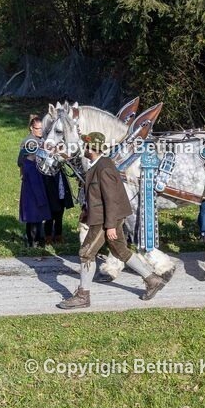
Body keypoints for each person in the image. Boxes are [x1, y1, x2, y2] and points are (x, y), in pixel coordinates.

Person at [57, 132, 168, 309]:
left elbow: (111, 199)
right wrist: (86, 212)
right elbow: (97, 196)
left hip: (105, 220)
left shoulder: (104, 168)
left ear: (92, 149)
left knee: (86, 254)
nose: (84, 148)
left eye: (86, 146)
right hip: (104, 217)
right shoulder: (98, 164)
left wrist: (110, 226)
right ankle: (153, 280)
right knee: (121, 251)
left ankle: (83, 296)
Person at [18, 115, 51, 248]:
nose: (40, 131)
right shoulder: (29, 142)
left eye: (41, 128)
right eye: (37, 129)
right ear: (31, 128)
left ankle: (39, 238)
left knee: (39, 208)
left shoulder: (41, 139)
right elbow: (20, 161)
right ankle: (32, 241)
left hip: (39, 177)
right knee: (32, 210)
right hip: (31, 178)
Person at [42, 158, 74, 244]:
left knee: (59, 216)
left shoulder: (61, 171)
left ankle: (58, 236)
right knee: (50, 217)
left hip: (61, 195)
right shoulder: (47, 171)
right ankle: (48, 236)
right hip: (51, 195)